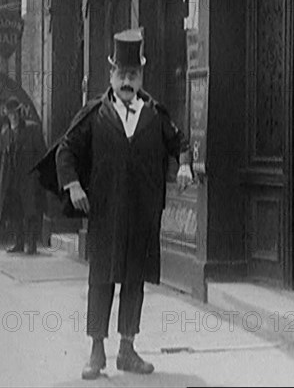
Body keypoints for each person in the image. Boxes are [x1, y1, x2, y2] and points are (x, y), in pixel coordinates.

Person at [33, 28, 193, 380]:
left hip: (143, 212)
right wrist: (73, 183)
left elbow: (180, 141)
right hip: (105, 212)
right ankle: (95, 351)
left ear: (141, 77)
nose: (126, 81)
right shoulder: (96, 113)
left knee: (134, 280)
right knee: (101, 280)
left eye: (133, 75)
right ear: (111, 75)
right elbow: (66, 150)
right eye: (121, 74)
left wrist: (184, 164)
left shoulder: (155, 113)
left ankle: (127, 349)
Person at [0, 96, 47, 255]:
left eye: (16, 112)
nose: (14, 116)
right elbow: (0, 156)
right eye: (10, 113)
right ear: (7, 114)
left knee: (30, 211)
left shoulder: (32, 129)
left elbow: (42, 153)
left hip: (28, 178)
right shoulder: (5, 132)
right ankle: (18, 242)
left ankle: (31, 244)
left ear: (20, 112)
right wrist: (2, 175)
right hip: (11, 180)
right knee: (15, 211)